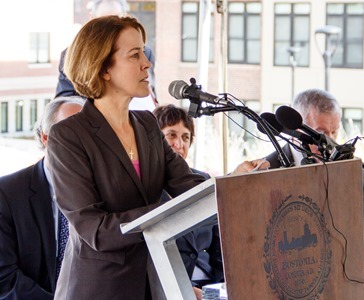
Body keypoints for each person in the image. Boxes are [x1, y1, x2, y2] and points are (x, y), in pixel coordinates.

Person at [46, 16, 210, 300]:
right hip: (100, 289)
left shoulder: (147, 124)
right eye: (134, 55)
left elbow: (190, 188)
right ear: (104, 68)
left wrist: (236, 182)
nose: (147, 64)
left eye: (144, 53)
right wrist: (162, 215)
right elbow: (96, 230)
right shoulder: (68, 136)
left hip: (155, 284)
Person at [153, 104, 270, 300]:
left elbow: (220, 249)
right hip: (172, 289)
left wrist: (226, 288)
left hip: (210, 287)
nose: (179, 144)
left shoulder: (203, 180)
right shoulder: (148, 187)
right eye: (171, 135)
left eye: (185, 137)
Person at [264, 89, 364, 273]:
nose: (330, 142)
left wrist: (361, 266)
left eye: (334, 132)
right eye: (320, 132)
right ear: (295, 129)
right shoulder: (267, 171)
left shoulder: (353, 170)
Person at [0, 96, 84, 299]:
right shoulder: (7, 193)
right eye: (70, 132)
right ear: (45, 138)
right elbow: (4, 278)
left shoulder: (106, 190)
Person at [55, 0, 157, 109]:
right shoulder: (73, 55)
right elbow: (64, 104)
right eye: (105, 22)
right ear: (92, 19)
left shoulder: (146, 53)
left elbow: (150, 94)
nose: (111, 29)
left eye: (117, 20)